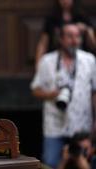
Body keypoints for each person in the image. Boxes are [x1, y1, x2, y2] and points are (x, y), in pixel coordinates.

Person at [31, 23, 96, 168]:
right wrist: (51, 94)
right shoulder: (47, 61)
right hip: (55, 126)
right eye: (70, 36)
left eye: (78, 36)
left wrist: (95, 122)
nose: (75, 40)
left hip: (82, 126)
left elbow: (94, 93)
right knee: (50, 164)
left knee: (86, 163)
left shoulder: (89, 60)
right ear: (60, 39)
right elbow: (35, 89)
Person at [35, 0, 96, 67]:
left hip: (80, 60)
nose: (65, 1)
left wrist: (86, 29)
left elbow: (93, 43)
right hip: (56, 60)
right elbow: (43, 44)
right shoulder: (52, 19)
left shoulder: (82, 17)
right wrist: (38, 66)